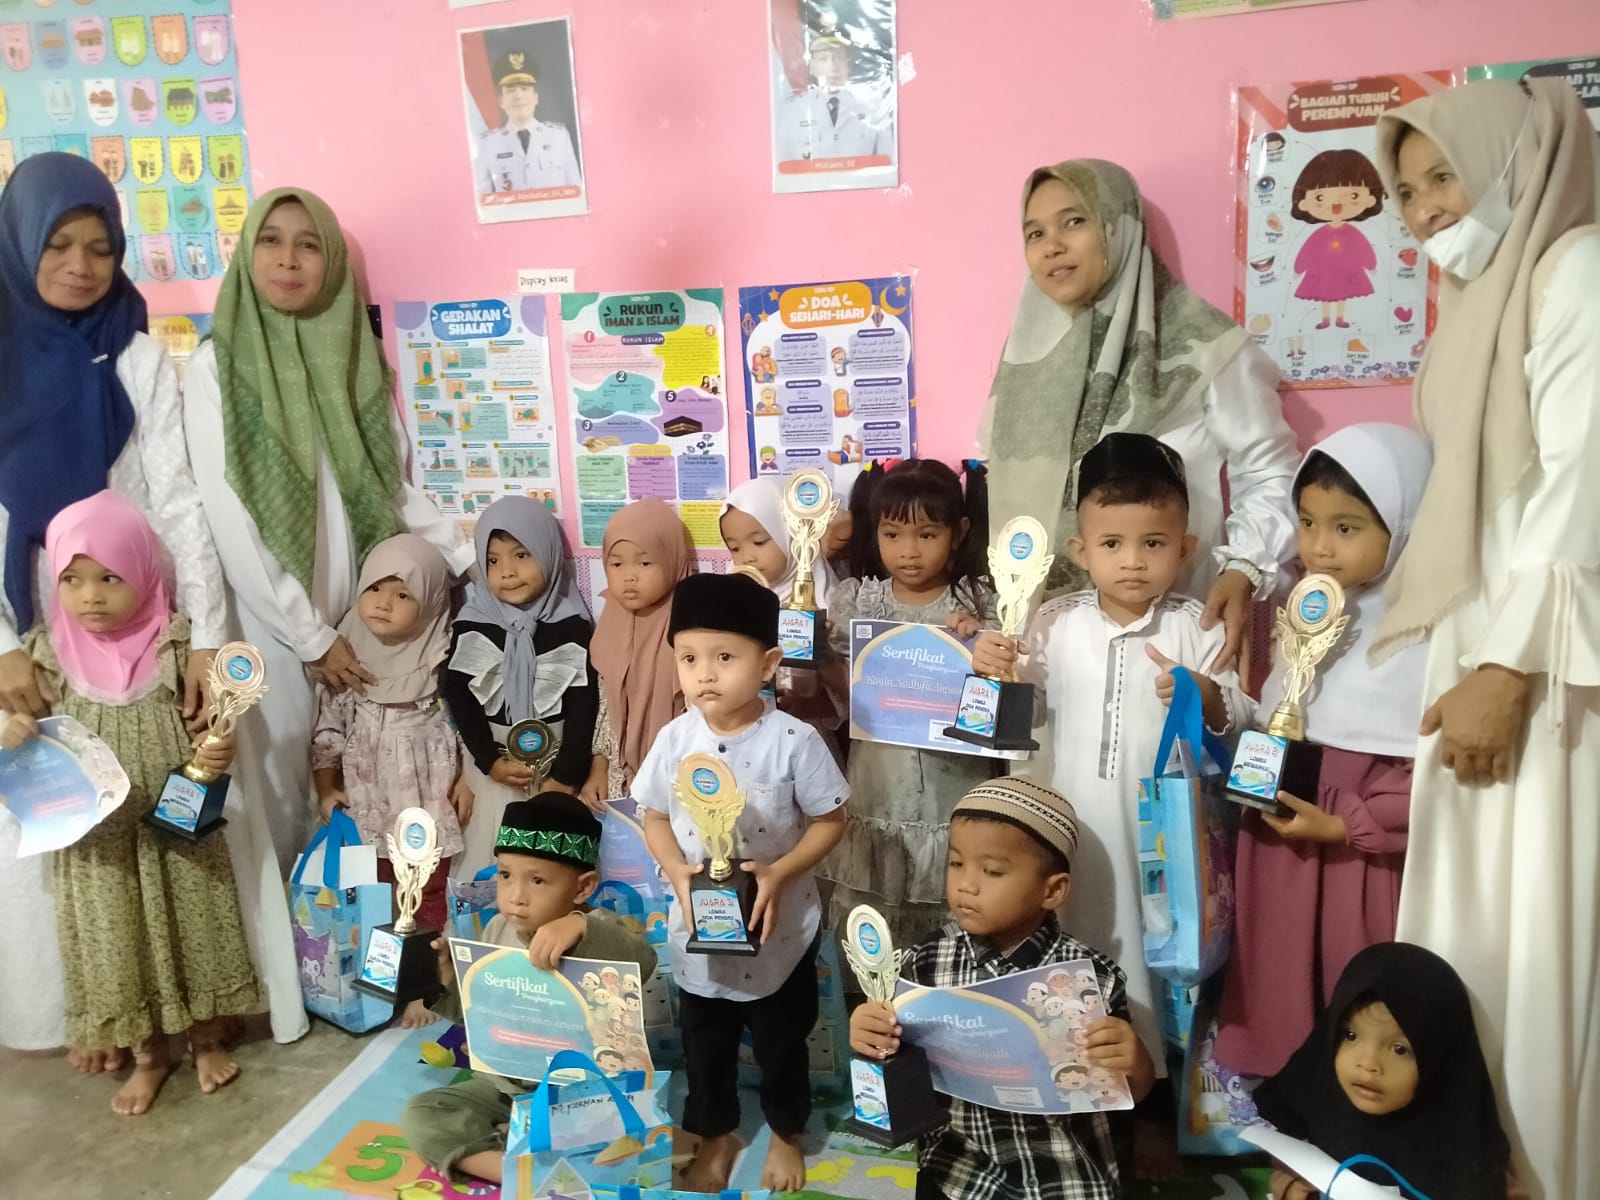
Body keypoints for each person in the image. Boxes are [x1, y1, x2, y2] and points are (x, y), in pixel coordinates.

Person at [0, 153, 305, 1052]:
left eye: (101, 248)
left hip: (145, 631)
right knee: (67, 829)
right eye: (58, 245)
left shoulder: (134, 356)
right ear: (18, 244)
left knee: (183, 819)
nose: (81, 266)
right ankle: (99, 1014)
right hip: (36, 634)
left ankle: (203, 1009)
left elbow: (176, 500)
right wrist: (3, 645)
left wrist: (203, 635)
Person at [1370, 78, 1599, 1200]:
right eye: (1407, 189)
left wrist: (1507, 668)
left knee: (1538, 938)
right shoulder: (1477, 301)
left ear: (1516, 163)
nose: (1423, 209)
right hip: (1484, 656)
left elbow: (1581, 485)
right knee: (1471, 941)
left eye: (1443, 177)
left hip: (1550, 669)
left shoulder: (1578, 270)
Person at [971, 432, 1252, 1178]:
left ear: (1185, 547)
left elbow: (1245, 722)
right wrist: (994, 669)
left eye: (1153, 543)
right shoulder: (1052, 621)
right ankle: (1078, 1102)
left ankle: (1153, 1110)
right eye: (1112, 543)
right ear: (1080, 549)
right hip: (1074, 836)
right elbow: (1022, 717)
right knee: (1077, 961)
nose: (1133, 561)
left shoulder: (1197, 626)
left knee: (1159, 970)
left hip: (1163, 845)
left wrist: (1207, 695)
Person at [183, 187, 471, 873]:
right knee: (283, 794)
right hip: (272, 632)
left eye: (309, 244)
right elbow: (232, 517)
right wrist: (310, 636)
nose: (289, 259)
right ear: (247, 254)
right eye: (271, 240)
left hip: (359, 626)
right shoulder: (216, 367)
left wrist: (468, 561)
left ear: (332, 262)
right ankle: (290, 942)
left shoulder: (350, 357)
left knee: (351, 794)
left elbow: (389, 486)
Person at [979, 159, 1300, 674]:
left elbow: (1270, 471)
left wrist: (1245, 567)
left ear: (1119, 225)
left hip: (1168, 637)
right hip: (1046, 648)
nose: (1052, 245)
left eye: (1074, 221)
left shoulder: (1202, 345)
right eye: (1034, 232)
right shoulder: (1026, 359)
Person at [0, 492, 261, 1114]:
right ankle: (148, 1057)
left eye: (110, 578)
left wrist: (217, 749)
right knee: (115, 939)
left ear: (144, 572)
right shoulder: (46, 657)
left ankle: (205, 1040)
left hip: (177, 829)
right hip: (97, 843)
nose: (89, 596)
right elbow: (23, 736)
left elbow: (210, 728)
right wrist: (13, 731)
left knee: (195, 923)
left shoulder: (174, 647)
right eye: (72, 580)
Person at [1216, 424, 1432, 1079]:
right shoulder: (1305, 608)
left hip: (1352, 856)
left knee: (1353, 975)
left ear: (1406, 524)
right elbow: (1277, 713)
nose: (1318, 546)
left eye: (1346, 527)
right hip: (1279, 839)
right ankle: (1284, 1092)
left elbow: (1426, 777)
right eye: (1307, 522)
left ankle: (1355, 1109)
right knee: (1277, 964)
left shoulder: (1422, 632)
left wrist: (1346, 826)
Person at [634, 572, 848, 1193]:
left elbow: (831, 820)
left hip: (779, 930)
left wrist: (781, 871)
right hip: (699, 927)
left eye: (724, 658)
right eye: (689, 658)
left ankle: (785, 1130)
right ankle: (716, 1133)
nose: (705, 674)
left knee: (782, 1039)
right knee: (705, 1042)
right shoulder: (675, 739)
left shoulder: (795, 741)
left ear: (768, 664)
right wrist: (676, 870)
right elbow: (653, 815)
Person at [850, 778, 1156, 1199]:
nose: (966, 884)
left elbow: (1126, 1092)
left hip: (1063, 1172)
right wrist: (871, 1036)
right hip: (959, 1168)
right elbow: (899, 1071)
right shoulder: (925, 962)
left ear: (1053, 890)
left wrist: (1135, 1062)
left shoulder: (1090, 981)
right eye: (956, 863)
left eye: (992, 871)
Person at [400, 793, 657, 1186]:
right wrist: (449, 982)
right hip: (504, 1086)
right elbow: (482, 1018)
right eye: (505, 875)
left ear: (583, 887)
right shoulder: (496, 930)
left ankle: (534, 1153)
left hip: (581, 1093)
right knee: (422, 1114)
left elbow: (643, 960)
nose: (516, 896)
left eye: (537, 880)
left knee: (622, 1133)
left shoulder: (600, 928)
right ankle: (519, 1173)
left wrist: (581, 926)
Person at [818, 458, 997, 949]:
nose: (908, 551)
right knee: (876, 922)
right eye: (892, 534)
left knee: (952, 916)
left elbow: (998, 707)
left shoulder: (979, 603)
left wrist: (982, 649)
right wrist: (818, 656)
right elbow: (850, 694)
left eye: (927, 534)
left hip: (953, 783)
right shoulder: (859, 602)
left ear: (958, 532)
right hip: (878, 779)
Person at [311, 533, 471, 1027]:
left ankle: (426, 986)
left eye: (403, 594)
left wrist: (468, 779)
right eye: (375, 589)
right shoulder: (347, 657)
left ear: (430, 604)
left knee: (427, 891)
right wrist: (325, 787)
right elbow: (327, 728)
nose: (383, 603)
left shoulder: (441, 656)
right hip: (370, 802)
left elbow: (466, 723)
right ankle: (389, 984)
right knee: (379, 891)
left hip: (426, 800)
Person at [1254, 943, 1515, 1200]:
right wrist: (1289, 1185)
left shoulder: (1469, 1158)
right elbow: (1286, 1163)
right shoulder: (1313, 1107)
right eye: (1351, 1035)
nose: (1368, 1063)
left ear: (1439, 1060)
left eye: (1399, 1049)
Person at [442, 498, 600, 862]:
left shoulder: (571, 625)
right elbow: (460, 698)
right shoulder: (472, 623)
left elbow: (584, 706)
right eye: (493, 560)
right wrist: (489, 761)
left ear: (547, 553)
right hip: (493, 766)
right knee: (494, 861)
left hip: (557, 766)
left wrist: (566, 777)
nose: (507, 572)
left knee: (553, 866)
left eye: (521, 555)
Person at [580, 499, 692, 808]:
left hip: (677, 779)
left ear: (672, 559)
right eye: (617, 564)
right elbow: (606, 708)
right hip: (618, 781)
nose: (629, 577)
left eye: (644, 563)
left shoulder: (691, 628)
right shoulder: (610, 623)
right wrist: (598, 768)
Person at [718, 477, 844, 742]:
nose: (747, 557)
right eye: (735, 548)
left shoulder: (826, 598)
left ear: (791, 533)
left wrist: (817, 704)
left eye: (759, 542)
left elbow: (853, 692)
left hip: (806, 736)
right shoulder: (729, 597)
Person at [775, 18, 893, 163]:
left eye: (839, 58)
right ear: (812, 67)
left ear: (848, 64)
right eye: (823, 59)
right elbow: (781, 165)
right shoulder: (794, 110)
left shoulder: (873, 107)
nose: (833, 68)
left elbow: (888, 163)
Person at [473, 51, 581, 196]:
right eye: (511, 90)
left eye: (524, 89)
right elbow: (481, 198)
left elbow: (575, 192)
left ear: (536, 97)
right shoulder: (488, 144)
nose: (518, 96)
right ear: (501, 101)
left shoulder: (558, 137)